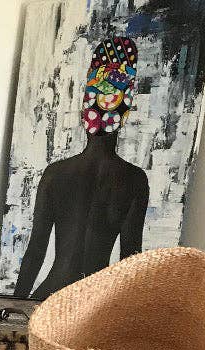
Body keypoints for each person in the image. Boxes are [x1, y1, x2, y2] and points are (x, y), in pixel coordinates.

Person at [14, 35, 149, 302]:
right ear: (125, 112)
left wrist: (11, 310)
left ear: (84, 108)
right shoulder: (135, 180)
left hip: (49, 299)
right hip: (95, 304)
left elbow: (35, 252)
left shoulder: (56, 174)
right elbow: (130, 261)